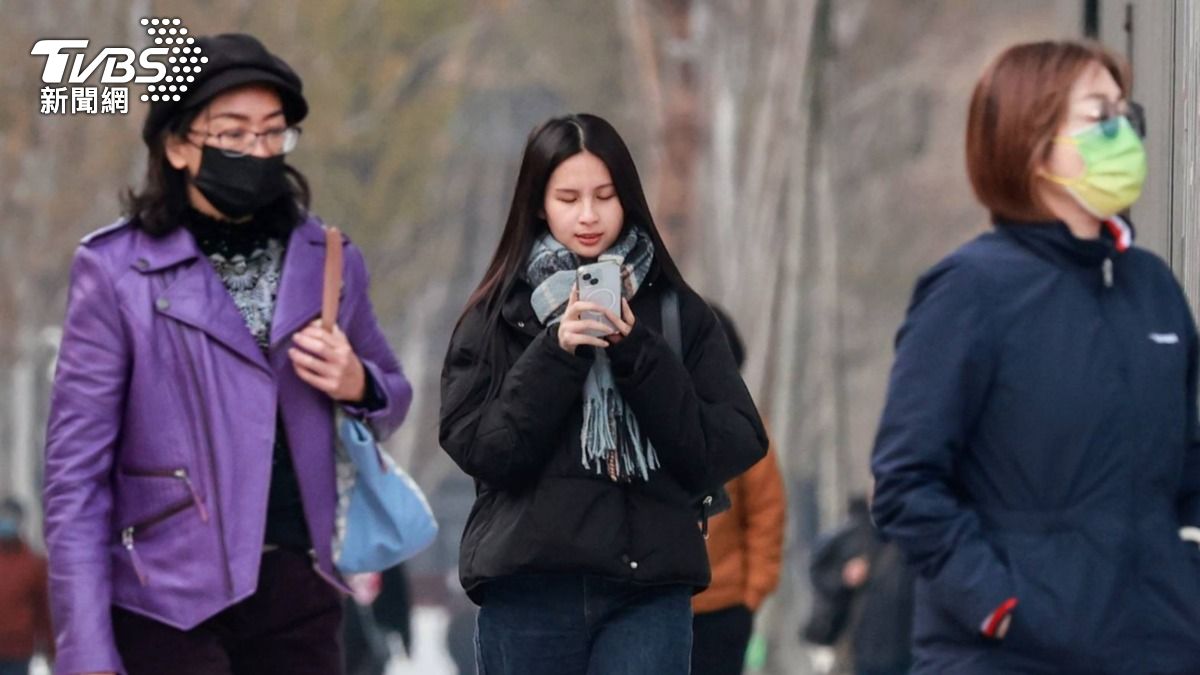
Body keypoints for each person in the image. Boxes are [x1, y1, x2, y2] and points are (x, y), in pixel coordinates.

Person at [42, 33, 412, 675]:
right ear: (180, 145)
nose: (258, 151)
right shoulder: (114, 271)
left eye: (273, 133)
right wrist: (85, 651)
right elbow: (75, 480)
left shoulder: (327, 260)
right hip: (166, 602)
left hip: (300, 596)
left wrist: (358, 382)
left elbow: (391, 399)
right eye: (234, 133)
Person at [871, 40, 1200, 673]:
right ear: (1032, 140)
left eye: (1126, 117)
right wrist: (999, 605)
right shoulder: (969, 290)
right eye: (1099, 117)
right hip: (1009, 654)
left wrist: (1185, 564)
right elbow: (908, 484)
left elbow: (1187, 466)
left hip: (1156, 646)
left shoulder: (1154, 290)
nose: (1123, 134)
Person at [439, 113, 768, 675]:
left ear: (629, 200)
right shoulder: (498, 315)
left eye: (605, 195)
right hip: (528, 591)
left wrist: (637, 352)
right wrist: (556, 353)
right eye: (568, 197)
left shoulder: (676, 312)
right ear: (539, 204)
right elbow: (484, 450)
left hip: (647, 591)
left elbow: (729, 446)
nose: (588, 215)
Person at [690, 306, 786, 675]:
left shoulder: (744, 425)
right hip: (651, 602)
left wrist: (752, 593)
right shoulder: (649, 413)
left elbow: (767, 510)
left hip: (724, 607)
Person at [805, 497, 913, 675]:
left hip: (909, 651)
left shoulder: (923, 536)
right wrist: (844, 578)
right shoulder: (856, 534)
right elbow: (819, 571)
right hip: (868, 652)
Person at [0, 498, 53, 675]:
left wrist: (50, 648)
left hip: (18, 652)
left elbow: (43, 609)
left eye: (11, 517)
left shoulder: (33, 564)